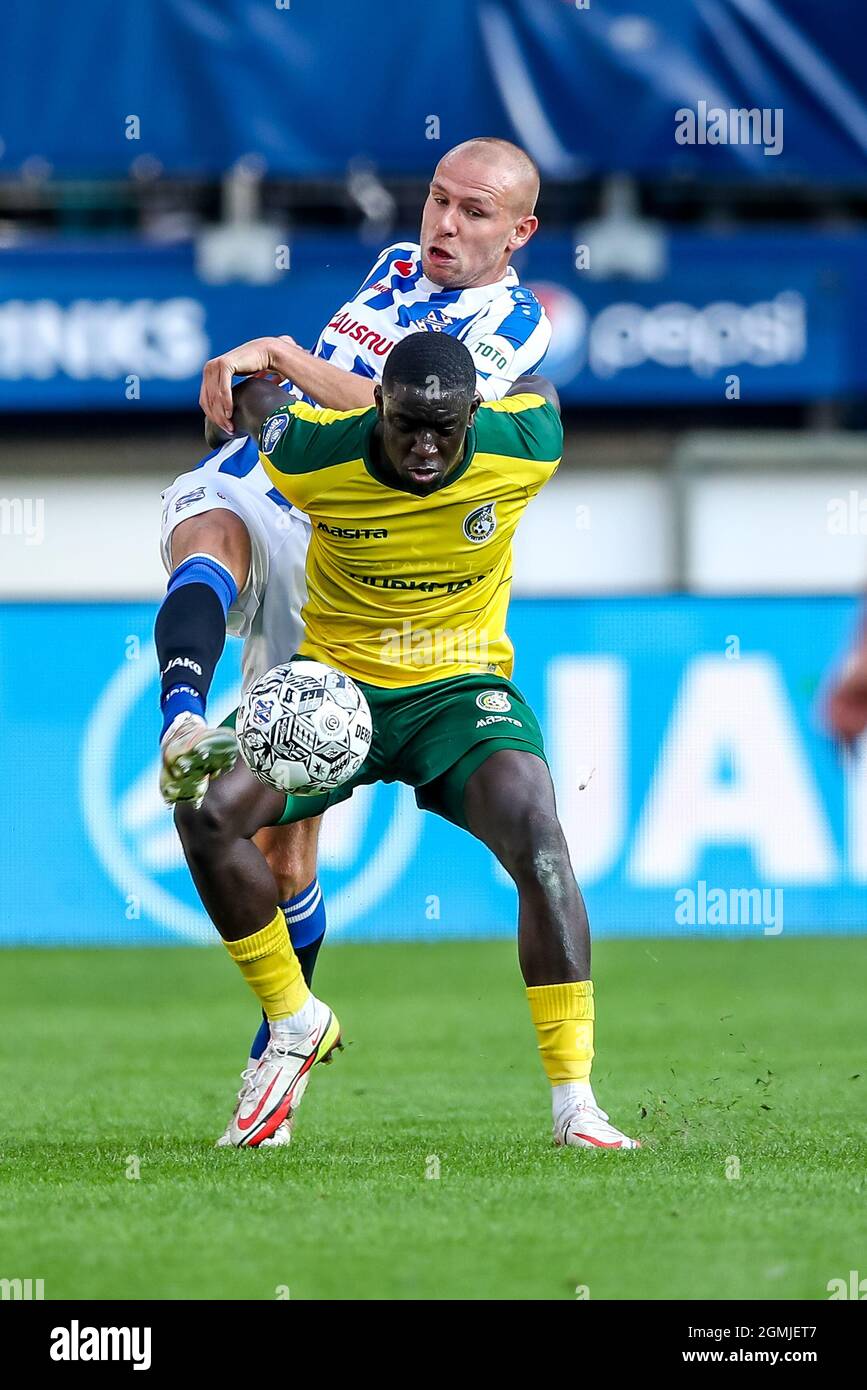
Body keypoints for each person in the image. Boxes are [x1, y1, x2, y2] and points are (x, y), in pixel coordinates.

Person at [156, 138, 551, 1140]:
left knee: (283, 855)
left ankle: (277, 1059)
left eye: (473, 213)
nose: (446, 226)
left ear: (520, 231)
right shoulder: (393, 270)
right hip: (294, 483)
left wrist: (278, 359)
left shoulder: (515, 321)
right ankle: (182, 714)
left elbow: (407, 412)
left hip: (360, 551)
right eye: (437, 201)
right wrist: (267, 402)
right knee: (209, 525)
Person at [174, 331, 641, 1152]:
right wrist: (262, 366)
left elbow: (539, 386)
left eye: (445, 428)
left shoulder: (524, 441)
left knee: (538, 840)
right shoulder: (312, 451)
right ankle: (294, 1021)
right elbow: (253, 417)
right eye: (406, 425)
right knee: (205, 813)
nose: (425, 447)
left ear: (474, 414)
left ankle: (575, 1101)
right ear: (376, 405)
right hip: (334, 696)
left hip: (460, 691)